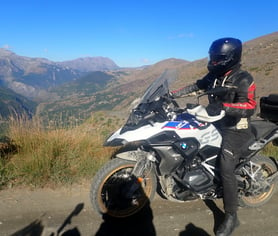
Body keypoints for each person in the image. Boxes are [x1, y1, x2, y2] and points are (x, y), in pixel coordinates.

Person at [171, 37, 256, 236]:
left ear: (231, 58)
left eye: (218, 59)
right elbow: (197, 85)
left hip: (236, 128)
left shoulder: (244, 78)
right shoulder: (215, 75)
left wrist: (225, 106)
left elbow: (250, 106)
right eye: (213, 58)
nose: (214, 62)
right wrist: (171, 94)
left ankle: (231, 216)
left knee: (226, 165)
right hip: (215, 121)